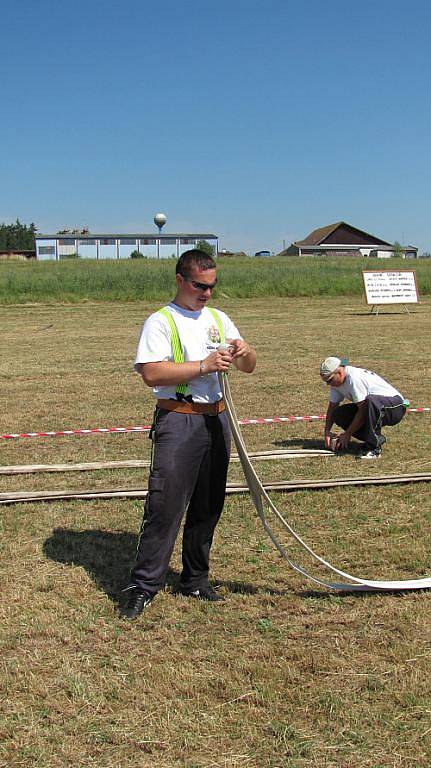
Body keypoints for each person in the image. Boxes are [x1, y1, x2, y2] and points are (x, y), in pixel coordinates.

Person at [120, 249, 257, 620]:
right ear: (180, 279)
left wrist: (245, 352)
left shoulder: (218, 318)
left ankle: (195, 579)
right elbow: (151, 373)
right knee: (165, 507)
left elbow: (249, 366)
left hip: (217, 419)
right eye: (200, 285)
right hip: (179, 420)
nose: (207, 293)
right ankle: (143, 586)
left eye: (212, 286)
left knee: (209, 504)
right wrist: (202, 366)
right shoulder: (161, 321)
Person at [320, 356, 408, 459]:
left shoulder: (354, 378)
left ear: (339, 372)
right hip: (374, 406)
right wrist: (327, 431)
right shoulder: (336, 384)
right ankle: (373, 439)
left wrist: (348, 434)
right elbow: (332, 407)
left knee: (370, 401)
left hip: (396, 407)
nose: (328, 384)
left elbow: (363, 410)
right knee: (338, 414)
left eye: (329, 380)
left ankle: (374, 449)